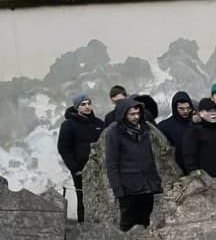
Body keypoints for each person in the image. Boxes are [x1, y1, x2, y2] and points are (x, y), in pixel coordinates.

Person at [105, 97, 162, 231]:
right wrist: (118, 190)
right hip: (128, 187)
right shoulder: (114, 133)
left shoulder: (144, 130)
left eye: (138, 113)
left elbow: (150, 158)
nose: (136, 117)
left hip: (147, 186)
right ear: (124, 114)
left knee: (146, 223)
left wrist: (155, 183)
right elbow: (112, 164)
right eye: (132, 114)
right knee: (127, 224)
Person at [57, 93, 105, 223]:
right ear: (77, 107)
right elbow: (63, 148)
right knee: (83, 198)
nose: (87, 107)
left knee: (102, 197)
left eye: (89, 103)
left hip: (100, 169)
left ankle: (102, 228)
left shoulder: (99, 123)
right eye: (83, 104)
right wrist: (75, 169)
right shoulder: (69, 125)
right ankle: (83, 227)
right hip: (81, 169)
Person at [181, 97, 216, 184]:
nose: (213, 113)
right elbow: (189, 155)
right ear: (201, 113)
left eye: (215, 110)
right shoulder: (194, 131)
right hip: (205, 181)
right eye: (209, 111)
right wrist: (194, 173)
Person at [157, 91, 194, 170]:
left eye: (188, 108)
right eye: (181, 108)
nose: (185, 111)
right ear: (175, 108)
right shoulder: (164, 126)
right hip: (175, 169)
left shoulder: (195, 123)